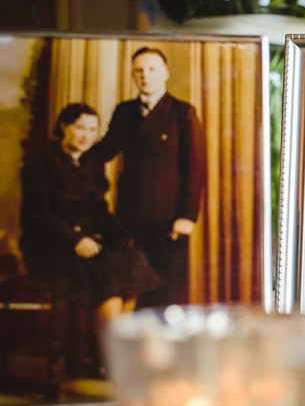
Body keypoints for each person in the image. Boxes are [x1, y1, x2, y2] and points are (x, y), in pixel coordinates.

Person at [86, 47, 206, 307]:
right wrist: (71, 156)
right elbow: (104, 151)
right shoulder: (124, 112)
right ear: (133, 76)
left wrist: (187, 216)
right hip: (128, 217)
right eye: (139, 71)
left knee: (166, 291)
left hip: (168, 220)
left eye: (151, 69)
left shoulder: (182, 112)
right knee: (130, 288)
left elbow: (195, 168)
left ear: (165, 73)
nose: (145, 75)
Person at [19, 103, 159, 325]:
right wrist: (75, 239)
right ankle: (108, 350)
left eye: (93, 130)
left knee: (133, 264)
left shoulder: (91, 163)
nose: (87, 136)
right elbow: (39, 214)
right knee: (106, 275)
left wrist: (120, 235)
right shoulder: (40, 162)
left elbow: (99, 210)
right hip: (49, 244)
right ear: (64, 126)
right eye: (80, 128)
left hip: (88, 243)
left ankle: (113, 345)